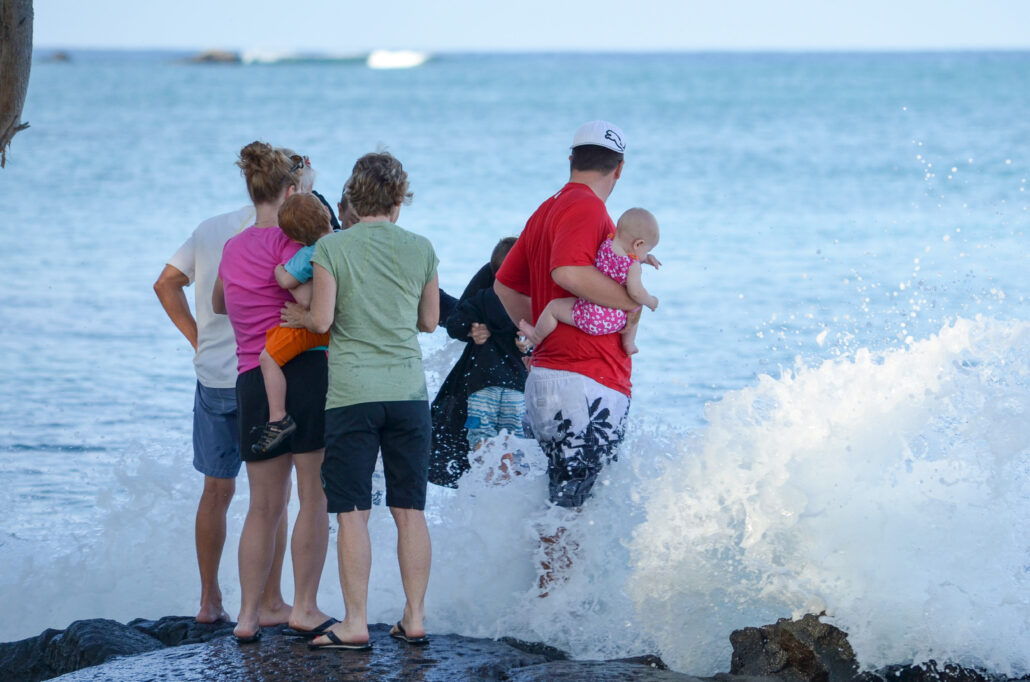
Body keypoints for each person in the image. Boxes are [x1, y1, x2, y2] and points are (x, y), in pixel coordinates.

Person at [283, 151, 439, 650]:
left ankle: (355, 623)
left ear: (352, 198)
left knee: (353, 511)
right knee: (409, 509)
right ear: (397, 201)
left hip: (352, 395)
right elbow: (430, 322)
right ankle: (414, 618)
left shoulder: (334, 249)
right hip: (408, 393)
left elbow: (323, 320)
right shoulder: (422, 248)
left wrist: (298, 319)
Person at [494, 121, 653, 591]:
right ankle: (552, 610)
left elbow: (504, 283)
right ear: (619, 170)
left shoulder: (547, 210)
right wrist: (629, 302)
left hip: (553, 378)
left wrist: (538, 337)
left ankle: (549, 605)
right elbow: (567, 271)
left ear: (571, 159)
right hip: (586, 380)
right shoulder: (588, 210)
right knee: (574, 501)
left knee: (569, 494)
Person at [212, 141, 334, 644]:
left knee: (263, 504)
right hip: (302, 371)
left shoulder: (233, 246)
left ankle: (248, 615)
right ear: (290, 192)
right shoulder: (294, 246)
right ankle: (303, 607)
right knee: (312, 496)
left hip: (250, 380)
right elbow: (311, 301)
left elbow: (220, 302)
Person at [154, 202, 255, 624]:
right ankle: (267, 602)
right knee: (273, 499)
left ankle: (208, 601)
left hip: (213, 374)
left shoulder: (210, 227)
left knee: (216, 491)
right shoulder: (282, 230)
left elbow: (166, 284)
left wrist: (200, 340)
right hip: (261, 373)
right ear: (292, 186)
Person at [429, 237, 529, 487]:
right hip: (516, 388)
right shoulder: (530, 304)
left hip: (482, 387)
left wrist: (472, 328)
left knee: (482, 436)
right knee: (513, 439)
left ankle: (485, 484)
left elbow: (454, 323)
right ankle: (507, 484)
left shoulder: (483, 297)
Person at [252, 192, 333, 455]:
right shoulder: (342, 243)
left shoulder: (310, 251)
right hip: (338, 328)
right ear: (328, 214)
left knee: (268, 357)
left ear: (295, 239)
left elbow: (287, 281)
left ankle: (278, 417)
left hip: (314, 327)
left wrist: (279, 269)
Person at [519, 207, 659, 355]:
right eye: (647, 251)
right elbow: (636, 292)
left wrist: (645, 258)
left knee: (553, 308)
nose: (645, 255)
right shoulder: (633, 267)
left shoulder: (606, 244)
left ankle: (537, 335)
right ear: (638, 244)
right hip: (613, 320)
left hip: (587, 312)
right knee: (635, 306)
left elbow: (622, 260)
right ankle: (628, 343)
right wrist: (650, 301)